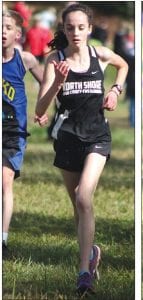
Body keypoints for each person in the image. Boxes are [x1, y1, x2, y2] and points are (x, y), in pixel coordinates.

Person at [35, 3, 128, 296]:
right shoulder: (55, 60)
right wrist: (58, 83)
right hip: (67, 138)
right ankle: (91, 252)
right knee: (78, 206)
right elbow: (40, 108)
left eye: (81, 27)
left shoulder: (98, 54)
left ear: (90, 28)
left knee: (84, 196)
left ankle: (83, 271)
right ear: (63, 28)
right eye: (70, 27)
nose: (75, 32)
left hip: (97, 136)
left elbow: (123, 65)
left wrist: (115, 90)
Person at [2, 10, 46, 257]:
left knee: (4, 181)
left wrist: (42, 108)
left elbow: (46, 83)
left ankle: (3, 239)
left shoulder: (25, 59)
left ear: (17, 34)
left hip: (13, 132)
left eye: (7, 27)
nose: (2, 31)